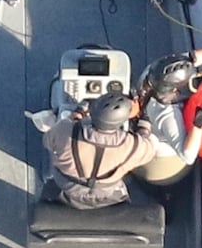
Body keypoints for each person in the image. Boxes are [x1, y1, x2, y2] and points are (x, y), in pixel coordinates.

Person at [30, 84, 191, 210]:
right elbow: (150, 146)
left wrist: (76, 116)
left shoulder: (65, 129)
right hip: (106, 192)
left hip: (67, 186)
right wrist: (144, 123)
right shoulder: (132, 145)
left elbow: (47, 141)